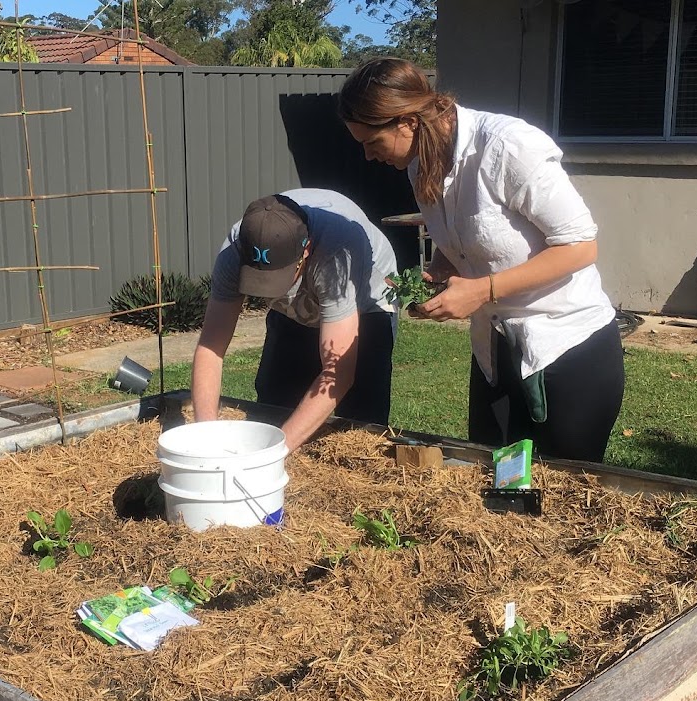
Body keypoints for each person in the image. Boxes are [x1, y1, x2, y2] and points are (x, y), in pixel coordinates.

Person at [337, 57, 624, 463]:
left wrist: (482, 290)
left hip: (566, 348)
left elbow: (580, 246)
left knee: (562, 489)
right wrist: (442, 266)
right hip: (496, 350)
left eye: (371, 142)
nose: (368, 156)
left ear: (407, 122)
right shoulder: (419, 163)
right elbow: (468, 234)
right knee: (496, 478)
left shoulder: (508, 147)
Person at [191, 189, 399, 452]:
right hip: (297, 304)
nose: (267, 289)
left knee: (359, 422)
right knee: (275, 404)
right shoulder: (234, 251)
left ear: (306, 250)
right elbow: (211, 348)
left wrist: (271, 454)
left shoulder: (337, 251)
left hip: (365, 303)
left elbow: (338, 372)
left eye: (275, 277)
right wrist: (206, 438)